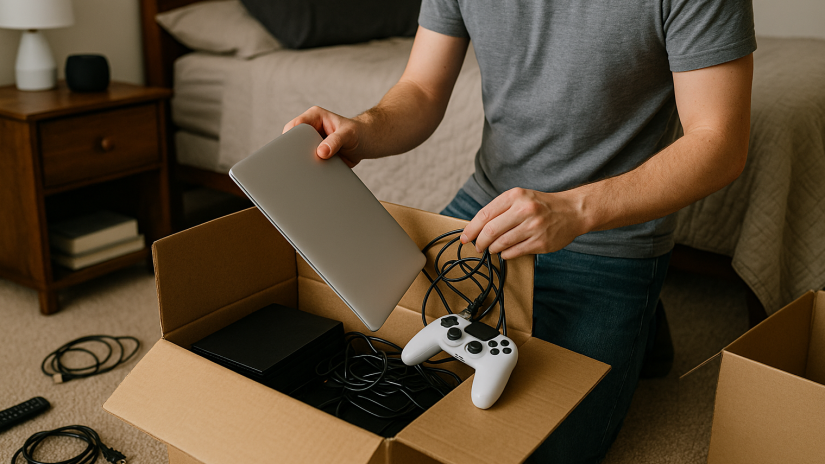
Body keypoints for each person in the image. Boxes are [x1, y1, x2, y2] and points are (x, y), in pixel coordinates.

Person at [284, 1, 756, 462]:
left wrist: (573, 209)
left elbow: (719, 142)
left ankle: (637, 320)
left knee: (530, 443)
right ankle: (643, 329)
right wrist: (362, 129)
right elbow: (422, 91)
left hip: (609, 233)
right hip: (487, 210)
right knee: (377, 367)